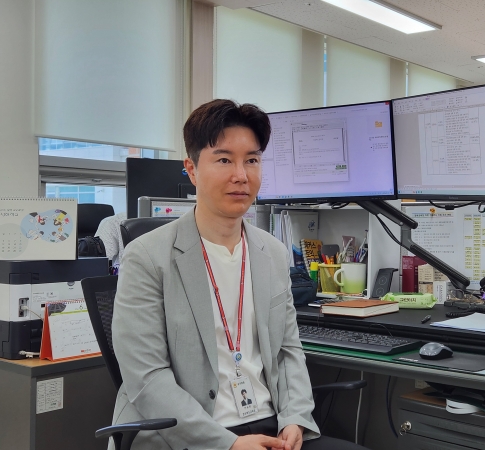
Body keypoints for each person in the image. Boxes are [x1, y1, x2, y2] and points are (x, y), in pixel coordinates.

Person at [110, 99, 369, 450]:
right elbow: (147, 378)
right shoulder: (147, 256)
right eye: (224, 160)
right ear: (192, 169)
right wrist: (228, 445)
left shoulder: (272, 252)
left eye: (252, 160)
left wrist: (295, 417)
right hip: (185, 435)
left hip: (270, 426)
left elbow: (287, 351)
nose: (241, 175)